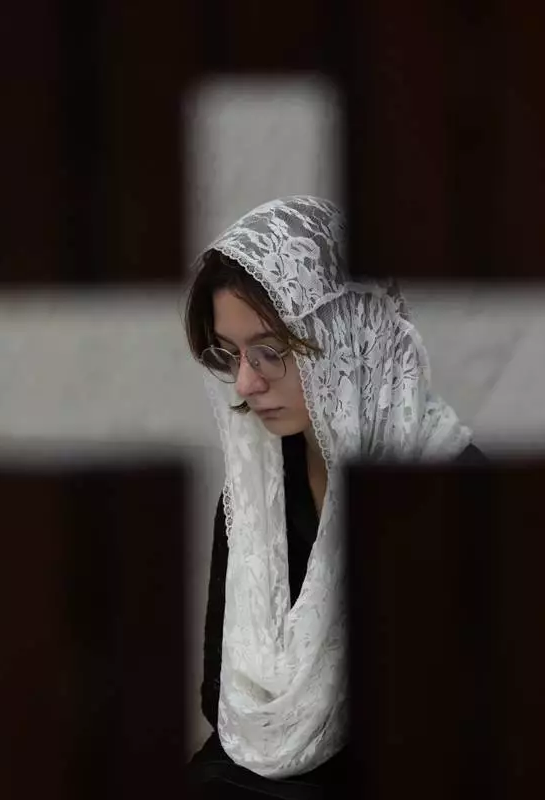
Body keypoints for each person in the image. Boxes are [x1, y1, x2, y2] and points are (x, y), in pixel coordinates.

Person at [182, 196, 486, 798]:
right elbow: (222, 705)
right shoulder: (256, 491)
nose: (245, 383)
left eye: (271, 352)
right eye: (232, 354)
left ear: (349, 336)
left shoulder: (450, 490)